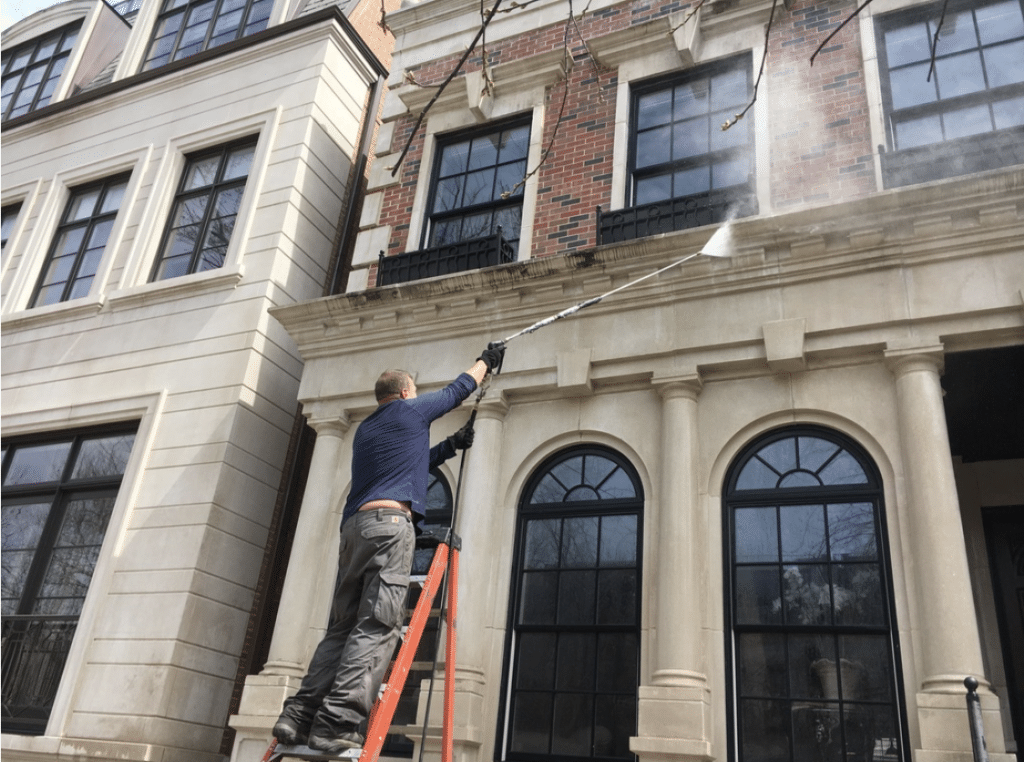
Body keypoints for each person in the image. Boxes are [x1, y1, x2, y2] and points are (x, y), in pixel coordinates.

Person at [273, 345, 505, 753]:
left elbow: (411, 462)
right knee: (378, 625)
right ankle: (337, 722)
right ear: (403, 393)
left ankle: (297, 716)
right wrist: (485, 361)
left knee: (341, 628)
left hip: (354, 530)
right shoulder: (409, 411)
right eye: (414, 393)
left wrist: (451, 445)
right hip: (390, 527)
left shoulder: (368, 429)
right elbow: (458, 390)